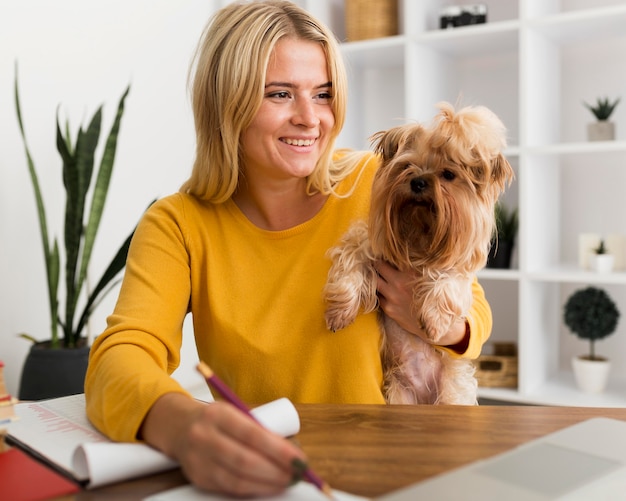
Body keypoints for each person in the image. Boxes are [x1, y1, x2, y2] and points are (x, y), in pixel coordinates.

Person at [85, 0, 492, 497]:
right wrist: (184, 427)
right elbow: (119, 359)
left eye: (322, 95)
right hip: (268, 477)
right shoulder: (177, 224)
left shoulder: (378, 183)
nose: (310, 118)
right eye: (280, 93)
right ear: (226, 102)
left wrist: (444, 323)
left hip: (396, 465)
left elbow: (472, 305)